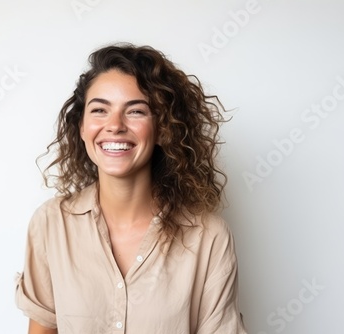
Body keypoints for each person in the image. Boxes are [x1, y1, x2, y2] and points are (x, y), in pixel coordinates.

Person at [15, 43, 247, 334]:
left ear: (163, 128)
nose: (115, 125)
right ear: (82, 127)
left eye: (135, 111)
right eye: (99, 110)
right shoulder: (51, 223)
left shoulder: (209, 237)